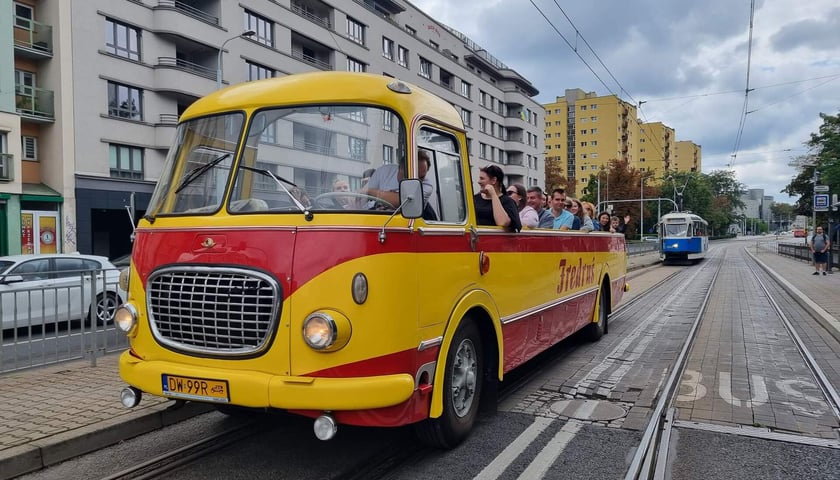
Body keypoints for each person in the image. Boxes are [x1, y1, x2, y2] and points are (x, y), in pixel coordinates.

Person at [473, 165, 520, 231]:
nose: (479, 182)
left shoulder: (508, 202)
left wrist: (493, 194)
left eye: (482, 178)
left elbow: (502, 222)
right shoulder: (475, 199)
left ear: (494, 180)